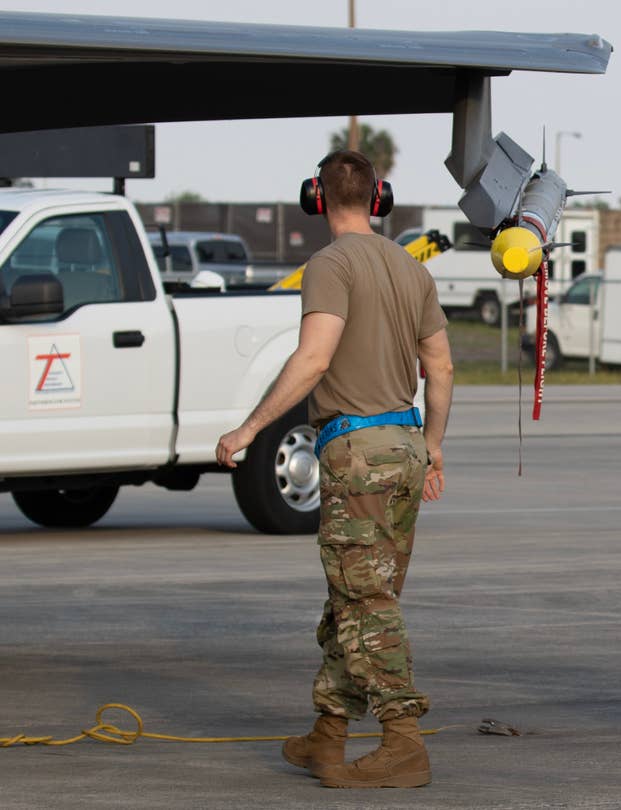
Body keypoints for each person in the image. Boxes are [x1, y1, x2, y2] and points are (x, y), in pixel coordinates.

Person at [215, 150, 454, 789]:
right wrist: (432, 445)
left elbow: (314, 358)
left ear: (316, 197)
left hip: (358, 452)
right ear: (379, 198)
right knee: (352, 595)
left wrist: (249, 428)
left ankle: (403, 741)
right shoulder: (411, 267)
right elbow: (443, 367)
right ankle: (328, 732)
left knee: (365, 600)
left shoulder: (328, 264)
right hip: (404, 445)